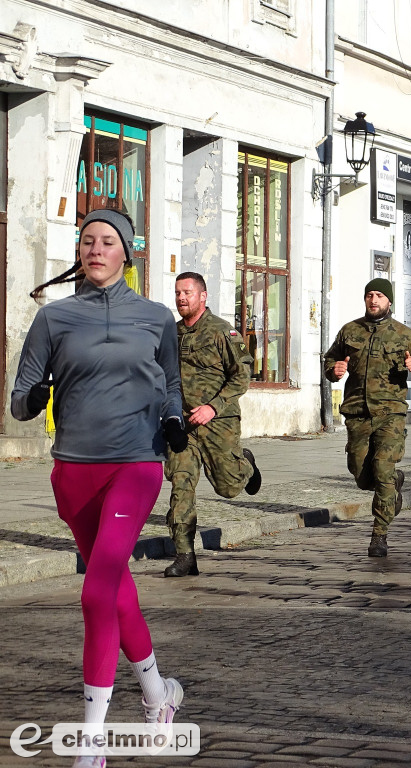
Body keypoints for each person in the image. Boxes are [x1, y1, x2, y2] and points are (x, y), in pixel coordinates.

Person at [11, 209, 188, 766]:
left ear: (126, 253)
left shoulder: (156, 318)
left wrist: (174, 418)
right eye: (87, 241)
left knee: (95, 591)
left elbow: (172, 386)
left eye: (107, 242)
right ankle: (159, 694)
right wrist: (34, 398)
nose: (95, 249)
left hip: (135, 464)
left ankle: (91, 742)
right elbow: (19, 401)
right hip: (74, 471)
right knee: (115, 590)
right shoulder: (54, 318)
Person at [324, 278, 411, 557]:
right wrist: (334, 370)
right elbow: (330, 360)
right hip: (357, 413)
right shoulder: (350, 331)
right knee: (361, 475)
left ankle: (379, 534)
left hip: (390, 413)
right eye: (370, 295)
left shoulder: (403, 334)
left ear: (389, 301)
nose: (374, 300)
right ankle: (393, 483)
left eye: (380, 296)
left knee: (382, 468)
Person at [164, 272, 261, 578]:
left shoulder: (221, 331)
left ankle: (246, 465)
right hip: (184, 427)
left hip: (219, 423)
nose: (182, 298)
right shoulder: (171, 334)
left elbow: (242, 374)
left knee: (228, 487)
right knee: (181, 485)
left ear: (203, 296)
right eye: (178, 293)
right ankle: (185, 555)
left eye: (188, 292)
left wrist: (213, 407)